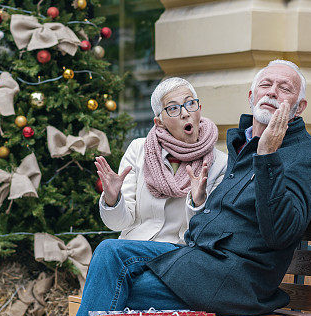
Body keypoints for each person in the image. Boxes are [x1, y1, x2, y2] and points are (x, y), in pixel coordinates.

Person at [12, 60, 311, 316]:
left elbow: (280, 232)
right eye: (265, 84)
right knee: (111, 257)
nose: (272, 92)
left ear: (298, 108)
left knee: (115, 286)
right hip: (204, 264)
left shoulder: (301, 156)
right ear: (250, 95)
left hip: (237, 280)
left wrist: (268, 157)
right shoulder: (243, 143)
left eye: (284, 89)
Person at [95, 77, 227, 244]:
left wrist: (198, 203)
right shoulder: (138, 150)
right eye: (173, 108)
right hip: (135, 247)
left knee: (108, 248)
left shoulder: (220, 163)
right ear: (159, 122)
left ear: (199, 109)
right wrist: (112, 200)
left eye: (190, 104)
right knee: (109, 248)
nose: (185, 113)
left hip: (179, 254)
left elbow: (207, 233)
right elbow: (117, 224)